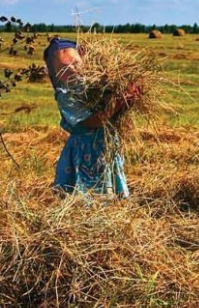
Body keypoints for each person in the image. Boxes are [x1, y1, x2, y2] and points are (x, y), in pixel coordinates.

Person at [43, 38, 139, 200]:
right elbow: (92, 122)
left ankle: (112, 202)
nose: (72, 70)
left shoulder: (95, 85)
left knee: (110, 179)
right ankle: (88, 209)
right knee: (88, 190)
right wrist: (117, 103)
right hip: (85, 149)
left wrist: (128, 98)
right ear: (56, 75)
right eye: (64, 69)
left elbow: (113, 112)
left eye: (75, 63)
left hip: (106, 144)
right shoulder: (65, 97)